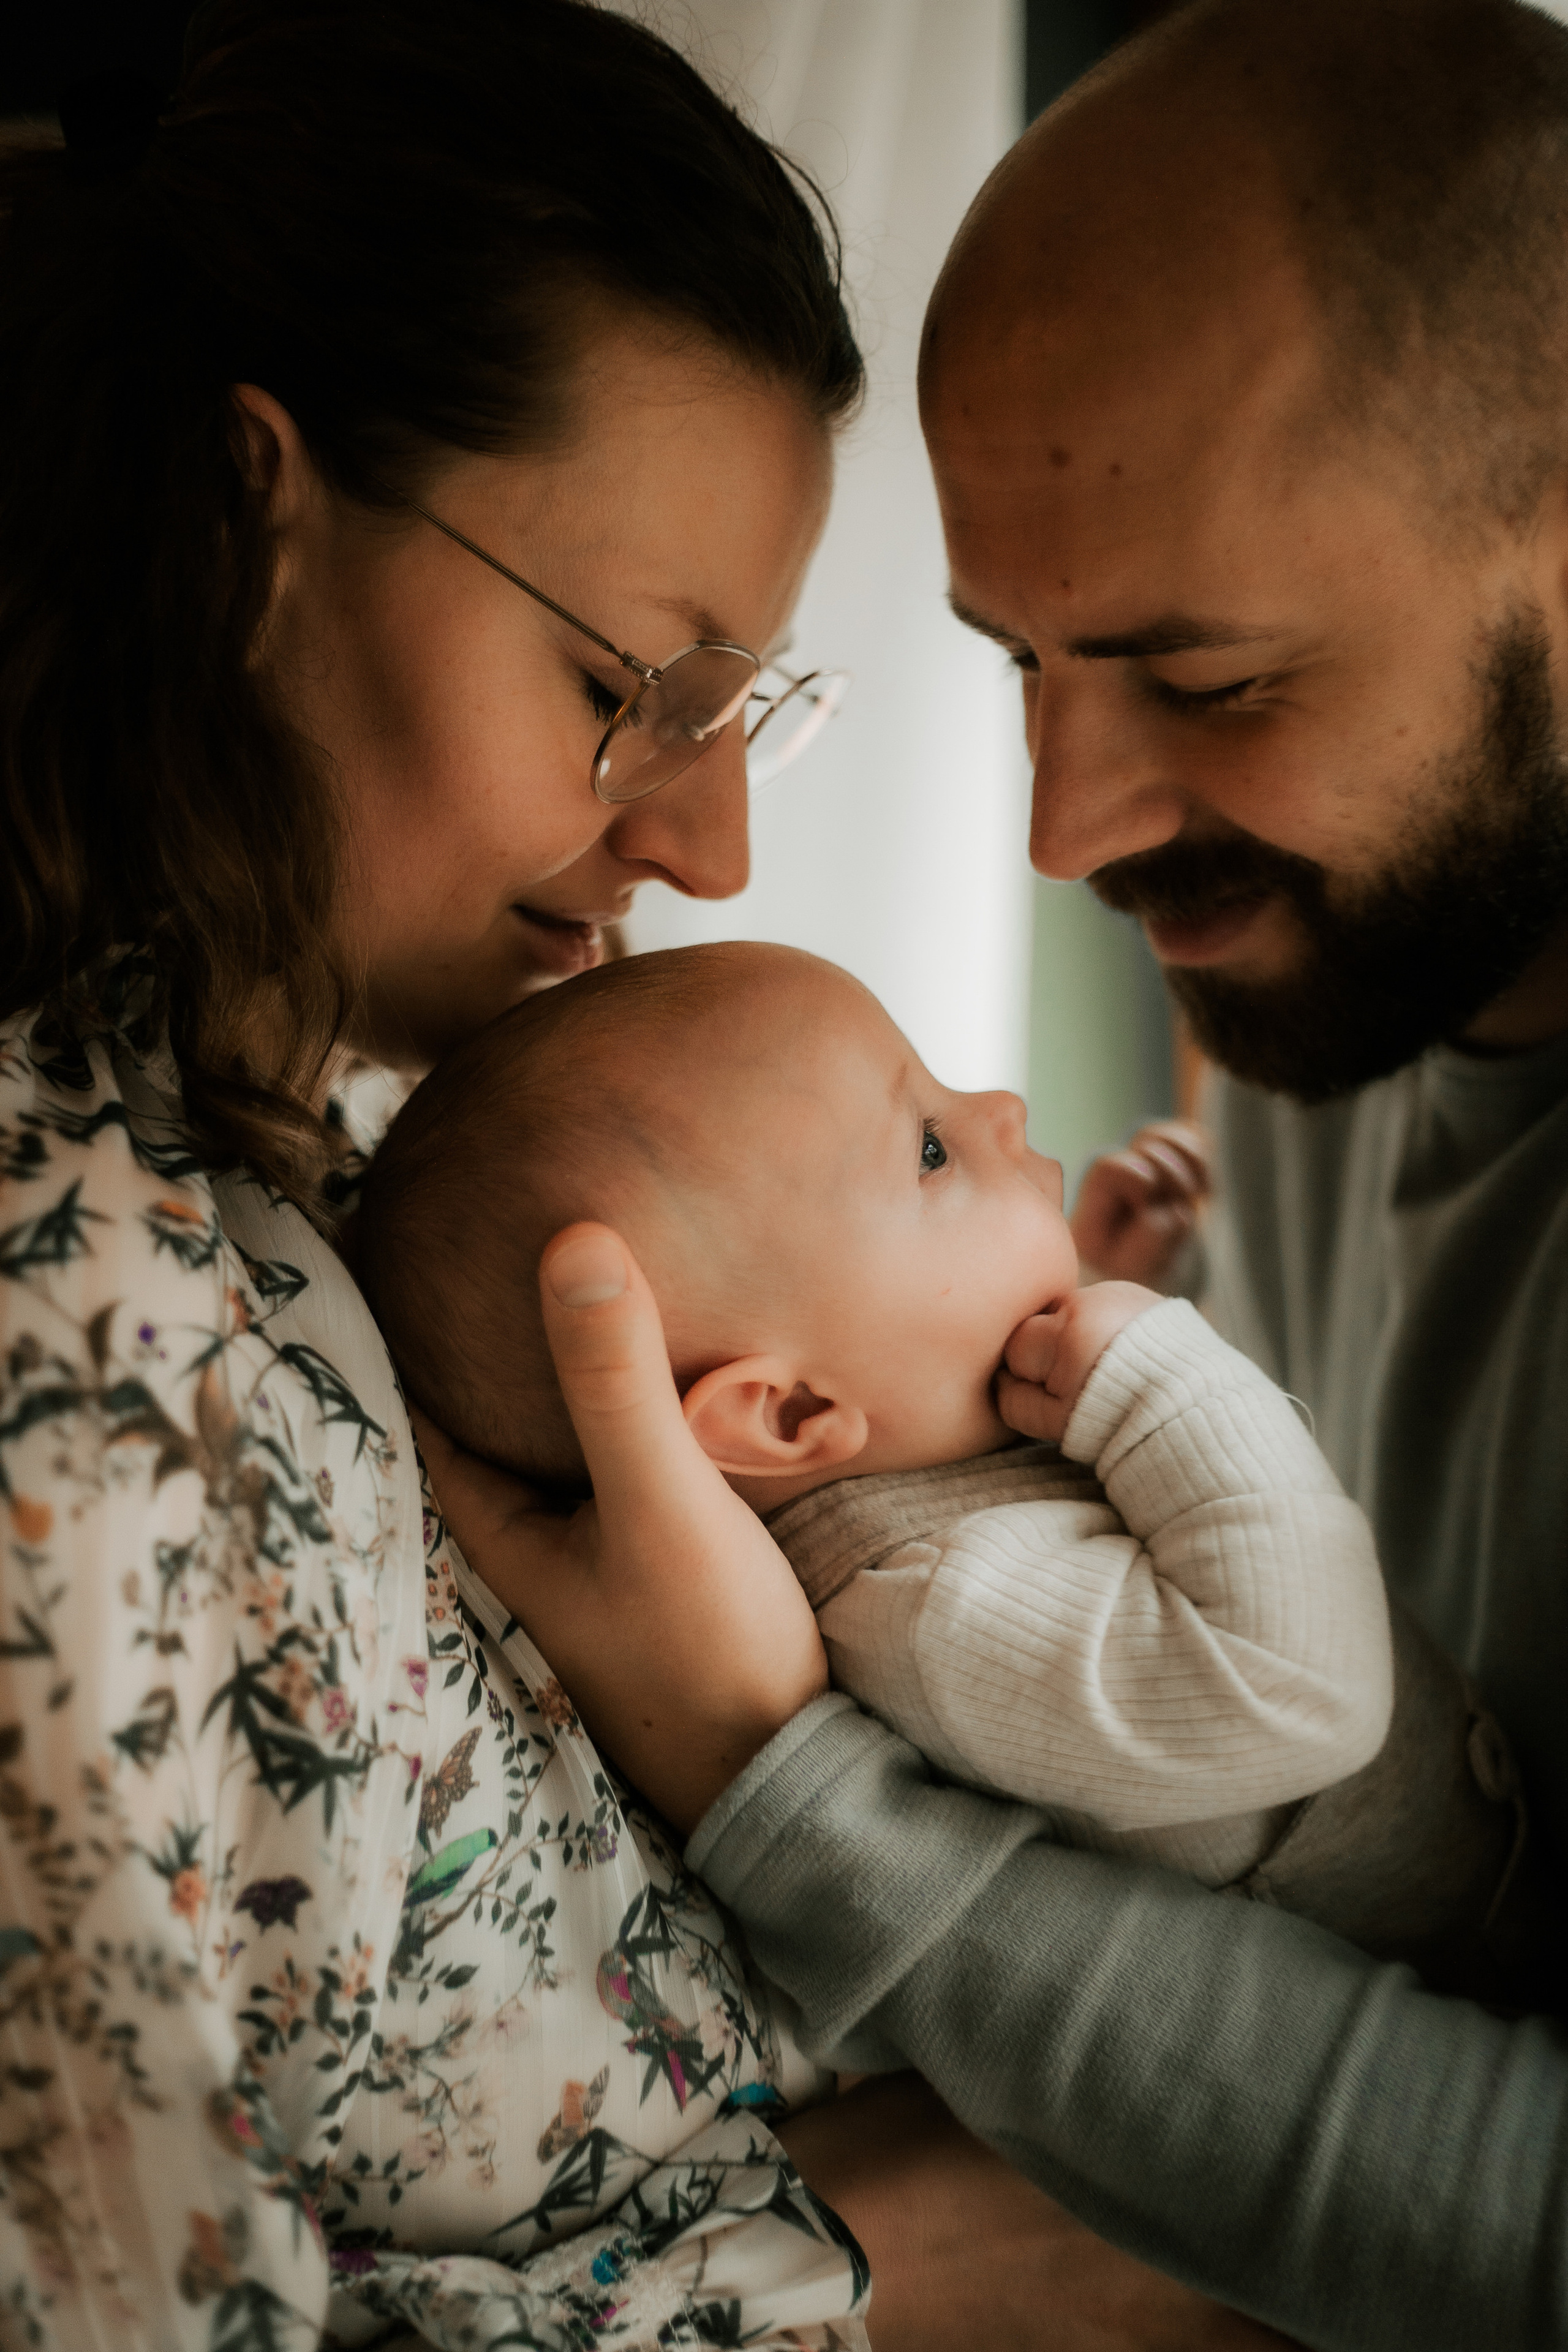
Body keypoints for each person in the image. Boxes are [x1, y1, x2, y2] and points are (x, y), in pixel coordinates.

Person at [419, 2, 1568, 2346]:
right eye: (1020, 665)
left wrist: (773, 1778)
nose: (1068, 829)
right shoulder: (1335, 986)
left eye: (1208, 681)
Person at [0, 3, 916, 2343]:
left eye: (744, 709)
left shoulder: (284, 1170)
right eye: (639, 692)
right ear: (246, 524)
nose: (712, 849)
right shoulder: (72, 1343)